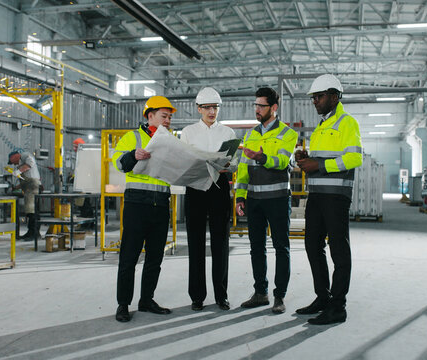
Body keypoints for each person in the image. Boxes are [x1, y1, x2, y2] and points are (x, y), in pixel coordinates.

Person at [295, 74, 362, 325]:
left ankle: (338, 306)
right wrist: (305, 158)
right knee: (313, 246)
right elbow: (321, 159)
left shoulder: (347, 123)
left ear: (334, 96)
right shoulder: (322, 126)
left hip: (336, 197)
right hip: (317, 195)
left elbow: (355, 158)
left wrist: (319, 165)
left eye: (319, 96)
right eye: (313, 97)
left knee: (339, 250)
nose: (315, 101)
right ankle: (322, 297)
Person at [111, 95, 176, 323]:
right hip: (137, 204)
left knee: (155, 258)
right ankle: (123, 304)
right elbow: (118, 163)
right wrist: (133, 155)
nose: (168, 120)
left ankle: (146, 300)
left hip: (161, 205)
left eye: (169, 117)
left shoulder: (171, 140)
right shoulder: (133, 137)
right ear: (150, 116)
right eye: (164, 116)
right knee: (129, 257)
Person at [235, 87, 298, 314]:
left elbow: (282, 162)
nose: (257, 110)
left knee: (281, 247)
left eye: (261, 105)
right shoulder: (251, 135)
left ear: (274, 107)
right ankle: (260, 292)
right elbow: (243, 168)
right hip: (254, 200)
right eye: (256, 105)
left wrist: (262, 157)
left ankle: (279, 296)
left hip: (278, 198)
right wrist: (240, 196)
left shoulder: (287, 134)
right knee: (256, 248)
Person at [180, 87, 237, 311]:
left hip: (219, 187)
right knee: (195, 243)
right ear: (198, 109)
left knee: (220, 242)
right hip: (195, 187)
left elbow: (233, 163)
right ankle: (197, 296)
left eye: (215, 107)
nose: (212, 111)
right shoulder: (188, 132)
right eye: (207, 107)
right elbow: (183, 160)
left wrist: (228, 166)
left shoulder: (228, 133)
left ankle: (221, 295)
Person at [7, 150, 41, 242]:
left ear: (14, 156)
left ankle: (34, 233)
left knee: (32, 210)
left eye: (12, 161)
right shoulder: (21, 164)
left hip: (33, 186)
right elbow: (24, 180)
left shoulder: (25, 155)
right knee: (30, 211)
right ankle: (31, 232)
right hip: (28, 188)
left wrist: (18, 171)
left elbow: (31, 163)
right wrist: (15, 187)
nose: (13, 164)